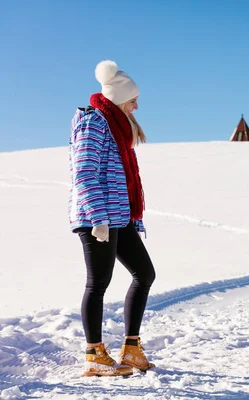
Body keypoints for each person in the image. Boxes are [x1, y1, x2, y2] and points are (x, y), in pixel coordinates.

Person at [69, 60, 156, 377]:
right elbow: (84, 173)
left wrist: (129, 218)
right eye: (133, 98)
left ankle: (131, 349)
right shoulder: (92, 123)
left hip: (119, 217)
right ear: (119, 97)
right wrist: (97, 218)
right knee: (98, 283)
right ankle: (94, 354)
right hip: (97, 217)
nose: (137, 104)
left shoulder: (117, 127)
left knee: (145, 274)